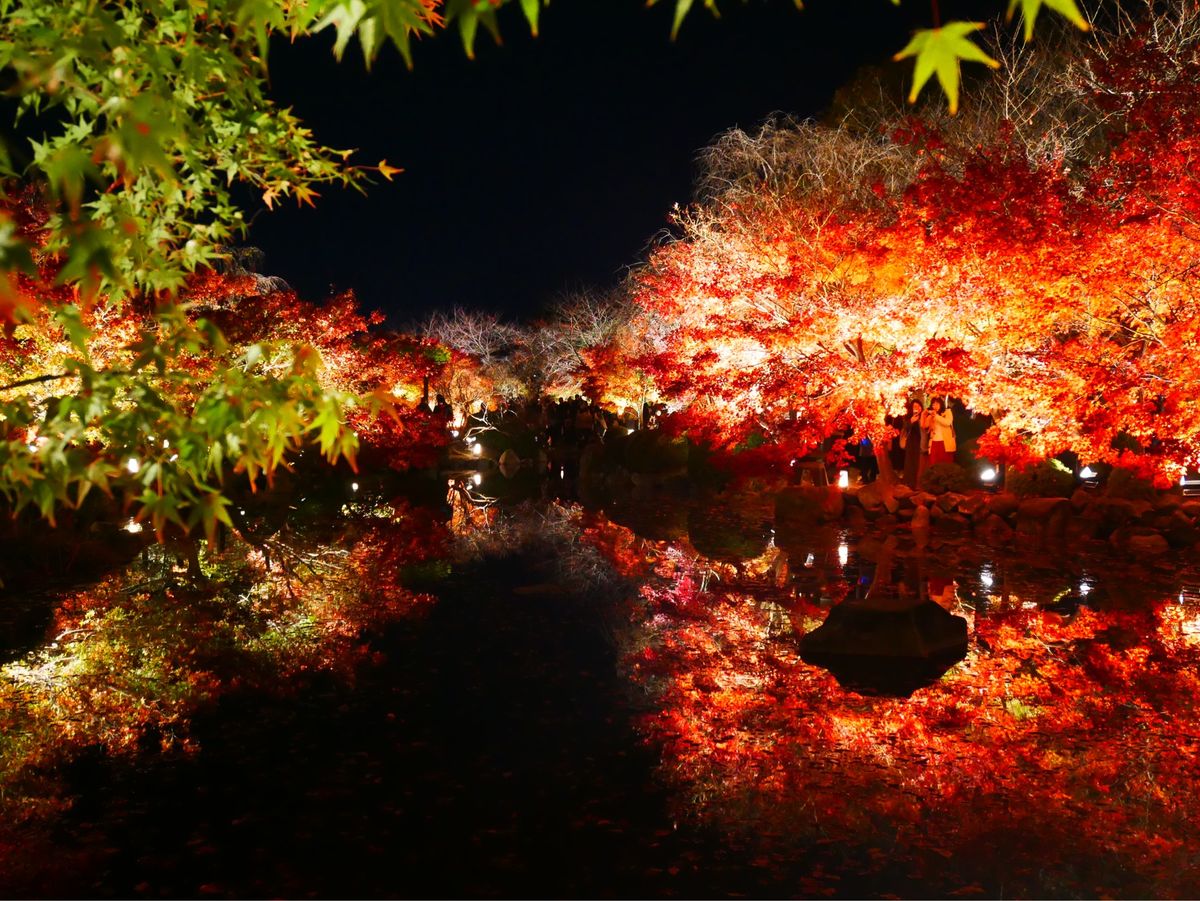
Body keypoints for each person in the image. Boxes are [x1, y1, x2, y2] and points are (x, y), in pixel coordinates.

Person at [900, 398, 925, 489]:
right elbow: (905, 428)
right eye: (915, 406)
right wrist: (911, 421)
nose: (917, 408)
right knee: (910, 463)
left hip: (922, 443)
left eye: (918, 406)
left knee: (920, 463)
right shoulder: (908, 417)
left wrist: (920, 421)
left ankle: (919, 484)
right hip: (911, 443)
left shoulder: (924, 416)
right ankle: (909, 483)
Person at [926, 397, 956, 466]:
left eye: (937, 404)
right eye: (933, 404)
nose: (935, 406)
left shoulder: (947, 412)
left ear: (941, 404)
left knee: (945, 465)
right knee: (934, 464)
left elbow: (947, 423)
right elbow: (926, 425)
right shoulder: (932, 415)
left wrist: (936, 416)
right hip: (934, 442)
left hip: (945, 443)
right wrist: (926, 415)